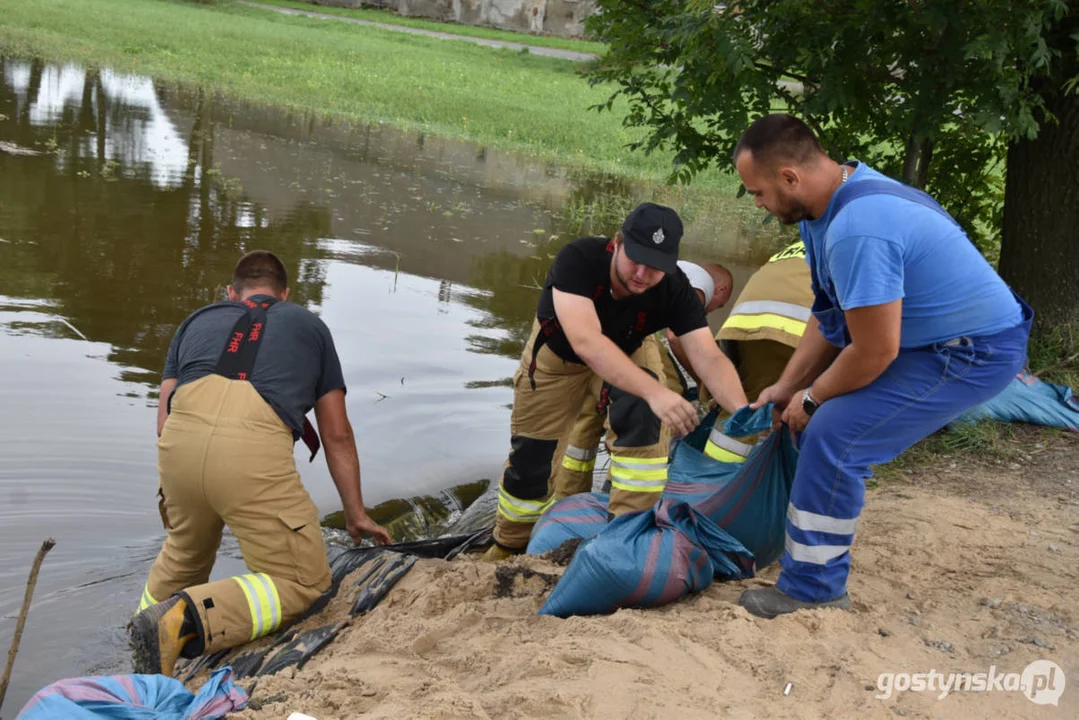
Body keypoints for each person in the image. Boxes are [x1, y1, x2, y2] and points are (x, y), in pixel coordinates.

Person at [732, 114, 1031, 618]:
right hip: (925, 340)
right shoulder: (819, 211)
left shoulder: (857, 229)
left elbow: (873, 352)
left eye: (758, 192)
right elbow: (830, 319)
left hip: (972, 351)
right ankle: (807, 554)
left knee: (834, 434)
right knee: (818, 420)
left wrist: (811, 398)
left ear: (789, 177)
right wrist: (786, 386)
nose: (759, 205)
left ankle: (813, 589)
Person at [128, 250, 391, 676]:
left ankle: (140, 649)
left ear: (231, 293)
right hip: (251, 448)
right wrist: (355, 513)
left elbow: (163, 422)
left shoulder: (196, 320)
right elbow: (336, 433)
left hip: (180, 443)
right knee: (305, 582)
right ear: (284, 295)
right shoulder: (311, 327)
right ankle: (187, 620)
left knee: (184, 555)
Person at [483, 203, 749, 560]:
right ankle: (510, 544)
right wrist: (657, 392)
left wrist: (743, 411)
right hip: (562, 356)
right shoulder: (578, 259)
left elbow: (708, 356)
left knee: (645, 428)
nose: (641, 273)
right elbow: (588, 343)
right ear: (617, 243)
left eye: (655, 266)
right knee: (533, 458)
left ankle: (624, 539)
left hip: (629, 347)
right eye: (635, 258)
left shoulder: (675, 288)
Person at [551, 259, 734, 500]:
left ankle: (567, 502)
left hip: (597, 346)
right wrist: (705, 383)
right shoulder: (702, 285)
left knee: (583, 436)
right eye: (718, 307)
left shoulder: (659, 269)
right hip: (628, 350)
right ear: (719, 290)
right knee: (649, 419)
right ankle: (617, 499)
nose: (711, 311)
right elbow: (676, 337)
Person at [696, 240, 815, 464]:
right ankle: (719, 479)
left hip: (744, 322)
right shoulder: (864, 241)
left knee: (746, 397)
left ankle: (708, 477)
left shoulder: (808, 239)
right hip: (792, 326)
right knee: (763, 407)